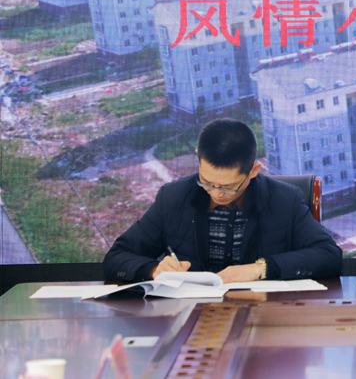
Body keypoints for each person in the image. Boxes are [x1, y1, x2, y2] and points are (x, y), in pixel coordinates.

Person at [103, 119, 342, 282]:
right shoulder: (173, 197)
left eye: (228, 187)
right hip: (190, 314)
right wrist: (154, 269)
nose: (216, 194)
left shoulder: (284, 200)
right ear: (198, 158)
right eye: (207, 182)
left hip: (263, 314)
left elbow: (329, 255)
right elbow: (116, 257)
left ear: (253, 171)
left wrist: (260, 268)